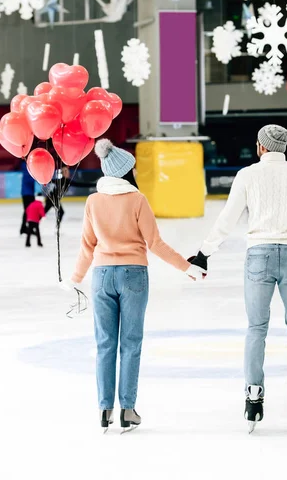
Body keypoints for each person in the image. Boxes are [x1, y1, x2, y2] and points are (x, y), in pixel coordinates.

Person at [189, 124, 287, 433]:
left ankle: (253, 397)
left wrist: (204, 253)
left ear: (261, 147)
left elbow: (228, 218)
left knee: (256, 328)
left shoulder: (248, 175)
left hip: (259, 256)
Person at [67, 139, 204, 432]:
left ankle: (105, 410)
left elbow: (87, 247)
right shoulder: (137, 199)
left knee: (105, 344)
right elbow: (155, 243)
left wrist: (75, 278)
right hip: (134, 276)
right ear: (127, 171)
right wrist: (187, 267)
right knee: (130, 344)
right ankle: (127, 410)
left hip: (102, 276)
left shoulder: (93, 201)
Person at [20, 161, 36, 235]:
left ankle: (26, 228)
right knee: (28, 211)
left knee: (28, 211)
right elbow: (29, 180)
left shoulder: (27, 168)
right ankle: (25, 228)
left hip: (28, 193)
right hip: (27, 194)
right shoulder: (27, 168)